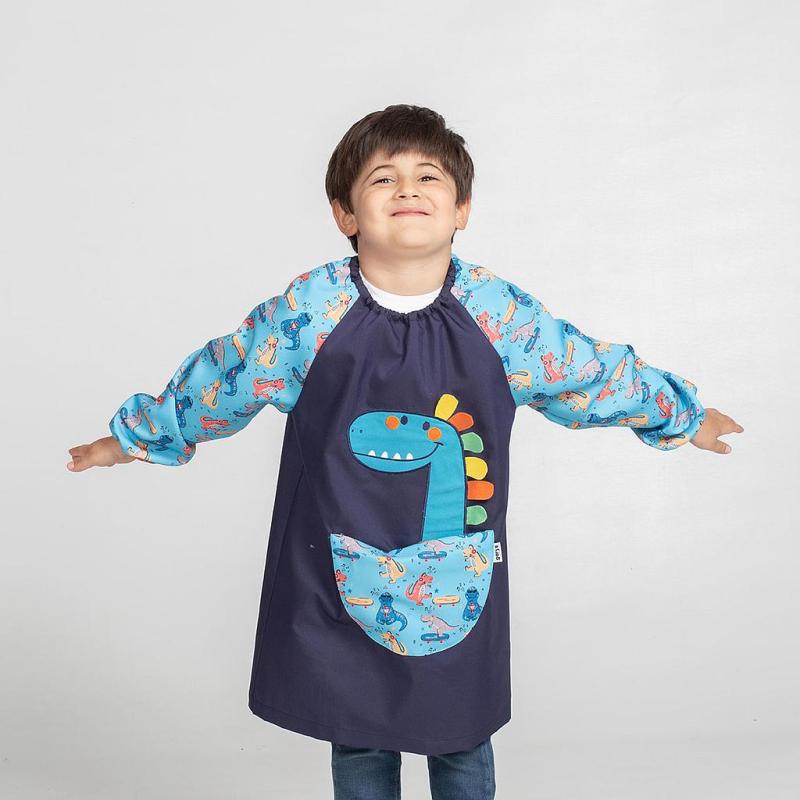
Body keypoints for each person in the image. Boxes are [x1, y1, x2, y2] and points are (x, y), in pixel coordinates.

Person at [66, 104, 743, 800]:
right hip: (333, 564)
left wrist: (682, 416)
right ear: (345, 214)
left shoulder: (499, 316)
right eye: (382, 179)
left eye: (428, 177)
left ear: (462, 210)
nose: (407, 189)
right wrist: (133, 439)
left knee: (460, 733)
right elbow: (224, 378)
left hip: (456, 571)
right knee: (357, 729)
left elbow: (587, 372)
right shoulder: (309, 314)